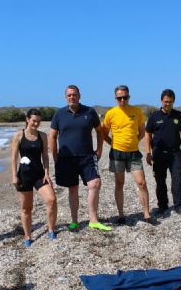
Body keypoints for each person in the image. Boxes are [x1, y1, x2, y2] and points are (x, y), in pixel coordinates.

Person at [49, 85, 111, 231]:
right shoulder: (59, 114)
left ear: (79, 96)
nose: (72, 97)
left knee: (95, 184)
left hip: (87, 157)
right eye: (69, 95)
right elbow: (52, 135)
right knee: (73, 189)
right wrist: (55, 155)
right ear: (66, 97)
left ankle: (93, 220)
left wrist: (99, 149)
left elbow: (99, 131)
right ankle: (74, 221)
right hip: (67, 158)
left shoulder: (89, 111)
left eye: (74, 94)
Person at [101, 85, 154, 224]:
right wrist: (112, 143)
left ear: (129, 97)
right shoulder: (110, 113)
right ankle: (121, 215)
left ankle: (147, 214)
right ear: (116, 98)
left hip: (134, 153)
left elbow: (142, 131)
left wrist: (135, 141)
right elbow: (103, 133)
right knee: (119, 183)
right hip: (117, 153)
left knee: (142, 183)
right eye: (119, 98)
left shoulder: (136, 111)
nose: (122, 100)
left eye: (125, 97)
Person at [10, 109, 57, 247]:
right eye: (33, 121)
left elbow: (45, 157)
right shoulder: (19, 135)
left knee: (51, 200)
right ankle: (28, 236)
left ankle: (51, 229)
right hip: (23, 176)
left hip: (39, 175)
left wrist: (47, 173)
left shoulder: (42, 136)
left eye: (38, 121)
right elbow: (13, 158)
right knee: (26, 208)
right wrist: (14, 175)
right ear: (27, 120)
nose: (36, 123)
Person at [144, 89, 181, 216]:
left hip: (175, 154)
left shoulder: (178, 115)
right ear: (161, 101)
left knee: (177, 179)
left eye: (170, 102)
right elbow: (147, 134)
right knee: (160, 181)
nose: (167, 104)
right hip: (159, 154)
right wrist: (148, 152)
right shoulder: (154, 117)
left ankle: (179, 205)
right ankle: (162, 206)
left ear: (173, 101)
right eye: (165, 101)